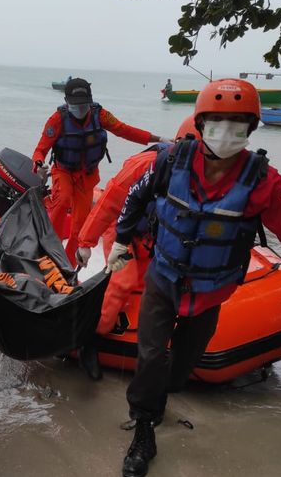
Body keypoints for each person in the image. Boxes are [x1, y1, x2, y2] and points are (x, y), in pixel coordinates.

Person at [111, 78, 281, 477]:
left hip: (210, 293)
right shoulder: (169, 162)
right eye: (217, 121)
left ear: (251, 129)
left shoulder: (265, 184)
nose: (226, 132)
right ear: (201, 124)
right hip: (163, 282)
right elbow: (136, 197)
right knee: (150, 355)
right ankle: (144, 427)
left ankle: (161, 397)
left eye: (238, 123)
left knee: (180, 368)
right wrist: (119, 240)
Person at [74, 115, 199, 381]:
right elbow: (109, 202)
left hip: (153, 237)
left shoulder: (201, 174)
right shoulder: (146, 165)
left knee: (157, 284)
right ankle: (89, 340)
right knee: (123, 279)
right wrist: (85, 243)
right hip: (121, 232)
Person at [32, 77, 171, 265]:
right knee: (62, 200)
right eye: (75, 105)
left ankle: (69, 266)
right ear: (66, 102)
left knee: (79, 228)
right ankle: (49, 253)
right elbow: (41, 149)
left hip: (87, 176)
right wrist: (39, 164)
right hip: (63, 172)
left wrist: (159, 139)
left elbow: (124, 130)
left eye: (84, 105)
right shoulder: (57, 119)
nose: (80, 109)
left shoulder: (101, 115)